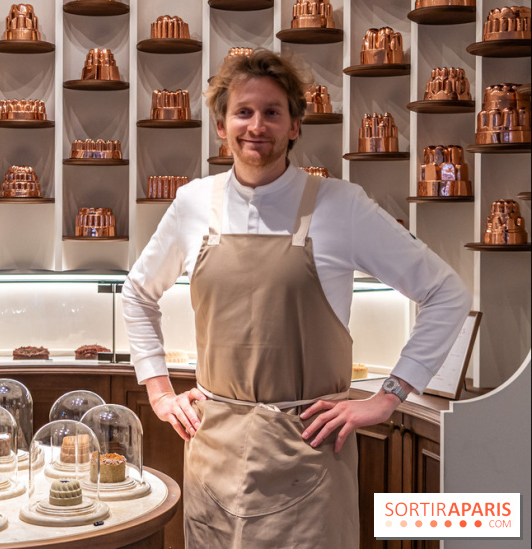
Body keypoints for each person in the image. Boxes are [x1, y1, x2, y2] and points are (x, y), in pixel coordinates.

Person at [122, 49, 472, 548]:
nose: (256, 125)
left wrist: (388, 397)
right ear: (221, 126)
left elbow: (447, 293)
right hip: (212, 450)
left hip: (308, 453)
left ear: (295, 126)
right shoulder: (193, 203)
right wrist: (157, 390)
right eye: (243, 111)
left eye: (272, 112)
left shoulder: (341, 206)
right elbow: (137, 294)